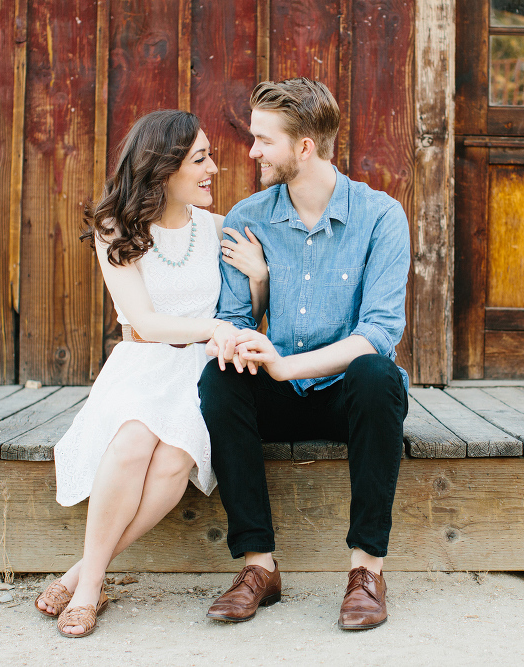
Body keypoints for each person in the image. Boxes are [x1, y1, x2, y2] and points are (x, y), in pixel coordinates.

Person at [34, 109, 268, 638]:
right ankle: (92, 588)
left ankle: (81, 573)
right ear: (163, 168)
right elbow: (142, 319)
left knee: (172, 461)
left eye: (211, 156)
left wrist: (259, 279)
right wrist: (211, 326)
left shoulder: (219, 228)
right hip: (143, 365)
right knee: (133, 441)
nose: (215, 168)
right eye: (200, 159)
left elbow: (243, 321)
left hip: (203, 372)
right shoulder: (114, 229)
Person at [198, 78, 410, 631]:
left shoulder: (381, 217)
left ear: (305, 148)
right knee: (218, 380)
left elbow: (380, 332)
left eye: (264, 140)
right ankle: (259, 567)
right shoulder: (247, 219)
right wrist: (235, 335)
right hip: (279, 393)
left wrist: (287, 364)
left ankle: (366, 571)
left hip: (347, 395)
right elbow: (236, 320)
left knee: (377, 374)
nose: (252, 151)